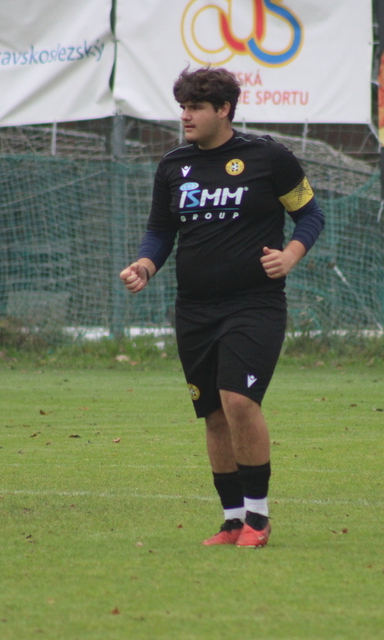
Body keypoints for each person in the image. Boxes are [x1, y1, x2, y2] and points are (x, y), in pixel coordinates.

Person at [119, 67, 324, 547]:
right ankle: (232, 521)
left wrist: (291, 255)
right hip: (194, 308)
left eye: (195, 107)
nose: (185, 116)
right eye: (183, 107)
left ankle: (258, 518)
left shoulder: (269, 157)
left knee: (239, 401)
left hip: (254, 303)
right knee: (213, 413)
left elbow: (310, 213)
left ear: (224, 110)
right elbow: (161, 230)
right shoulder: (173, 166)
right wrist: (146, 265)